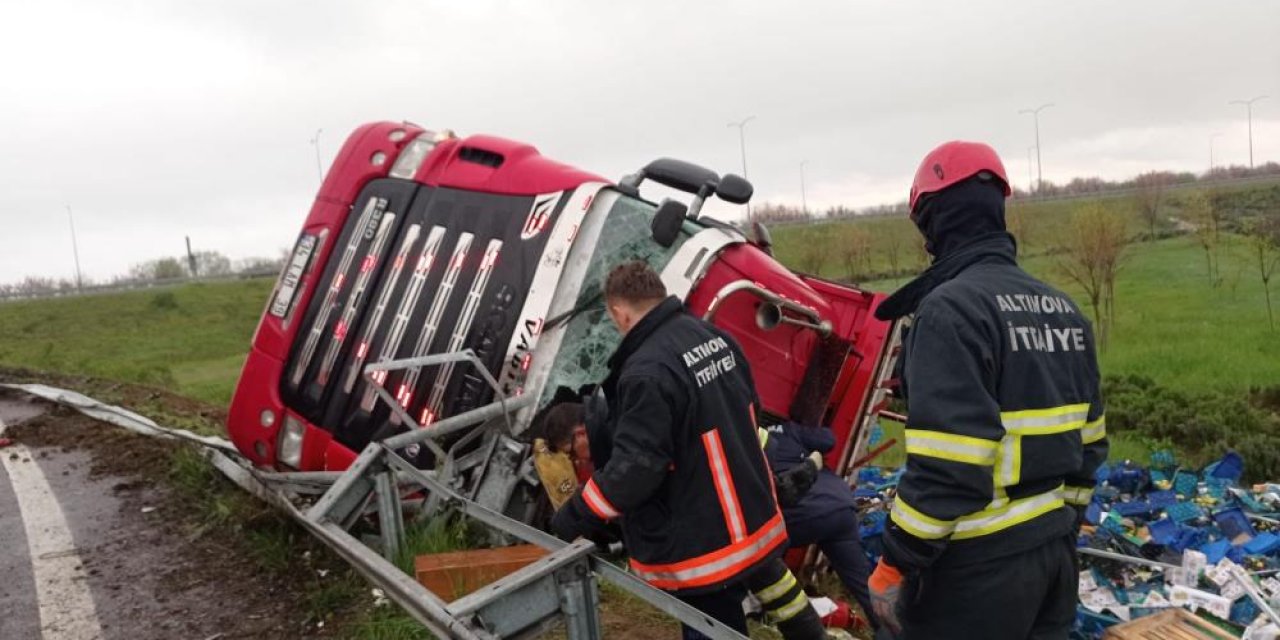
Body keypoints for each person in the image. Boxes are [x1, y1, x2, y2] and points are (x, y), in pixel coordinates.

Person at [867, 141, 1107, 639]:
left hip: (977, 571)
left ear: (931, 220)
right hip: (1053, 559)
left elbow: (950, 466)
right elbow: (1091, 443)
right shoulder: (1065, 310)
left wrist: (895, 561)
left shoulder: (950, 310)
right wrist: (1065, 528)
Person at [551, 261, 825, 639]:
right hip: (751, 516)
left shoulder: (645, 371)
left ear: (618, 311)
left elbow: (635, 469)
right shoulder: (716, 338)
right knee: (777, 592)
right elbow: (746, 418)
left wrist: (575, 516)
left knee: (713, 628)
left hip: (705, 545)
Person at [761, 421, 877, 632]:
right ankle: (894, 631)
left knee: (763, 557)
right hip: (841, 507)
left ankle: (762, 611)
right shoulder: (792, 430)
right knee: (864, 586)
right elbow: (828, 439)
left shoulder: (748, 438)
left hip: (800, 510)